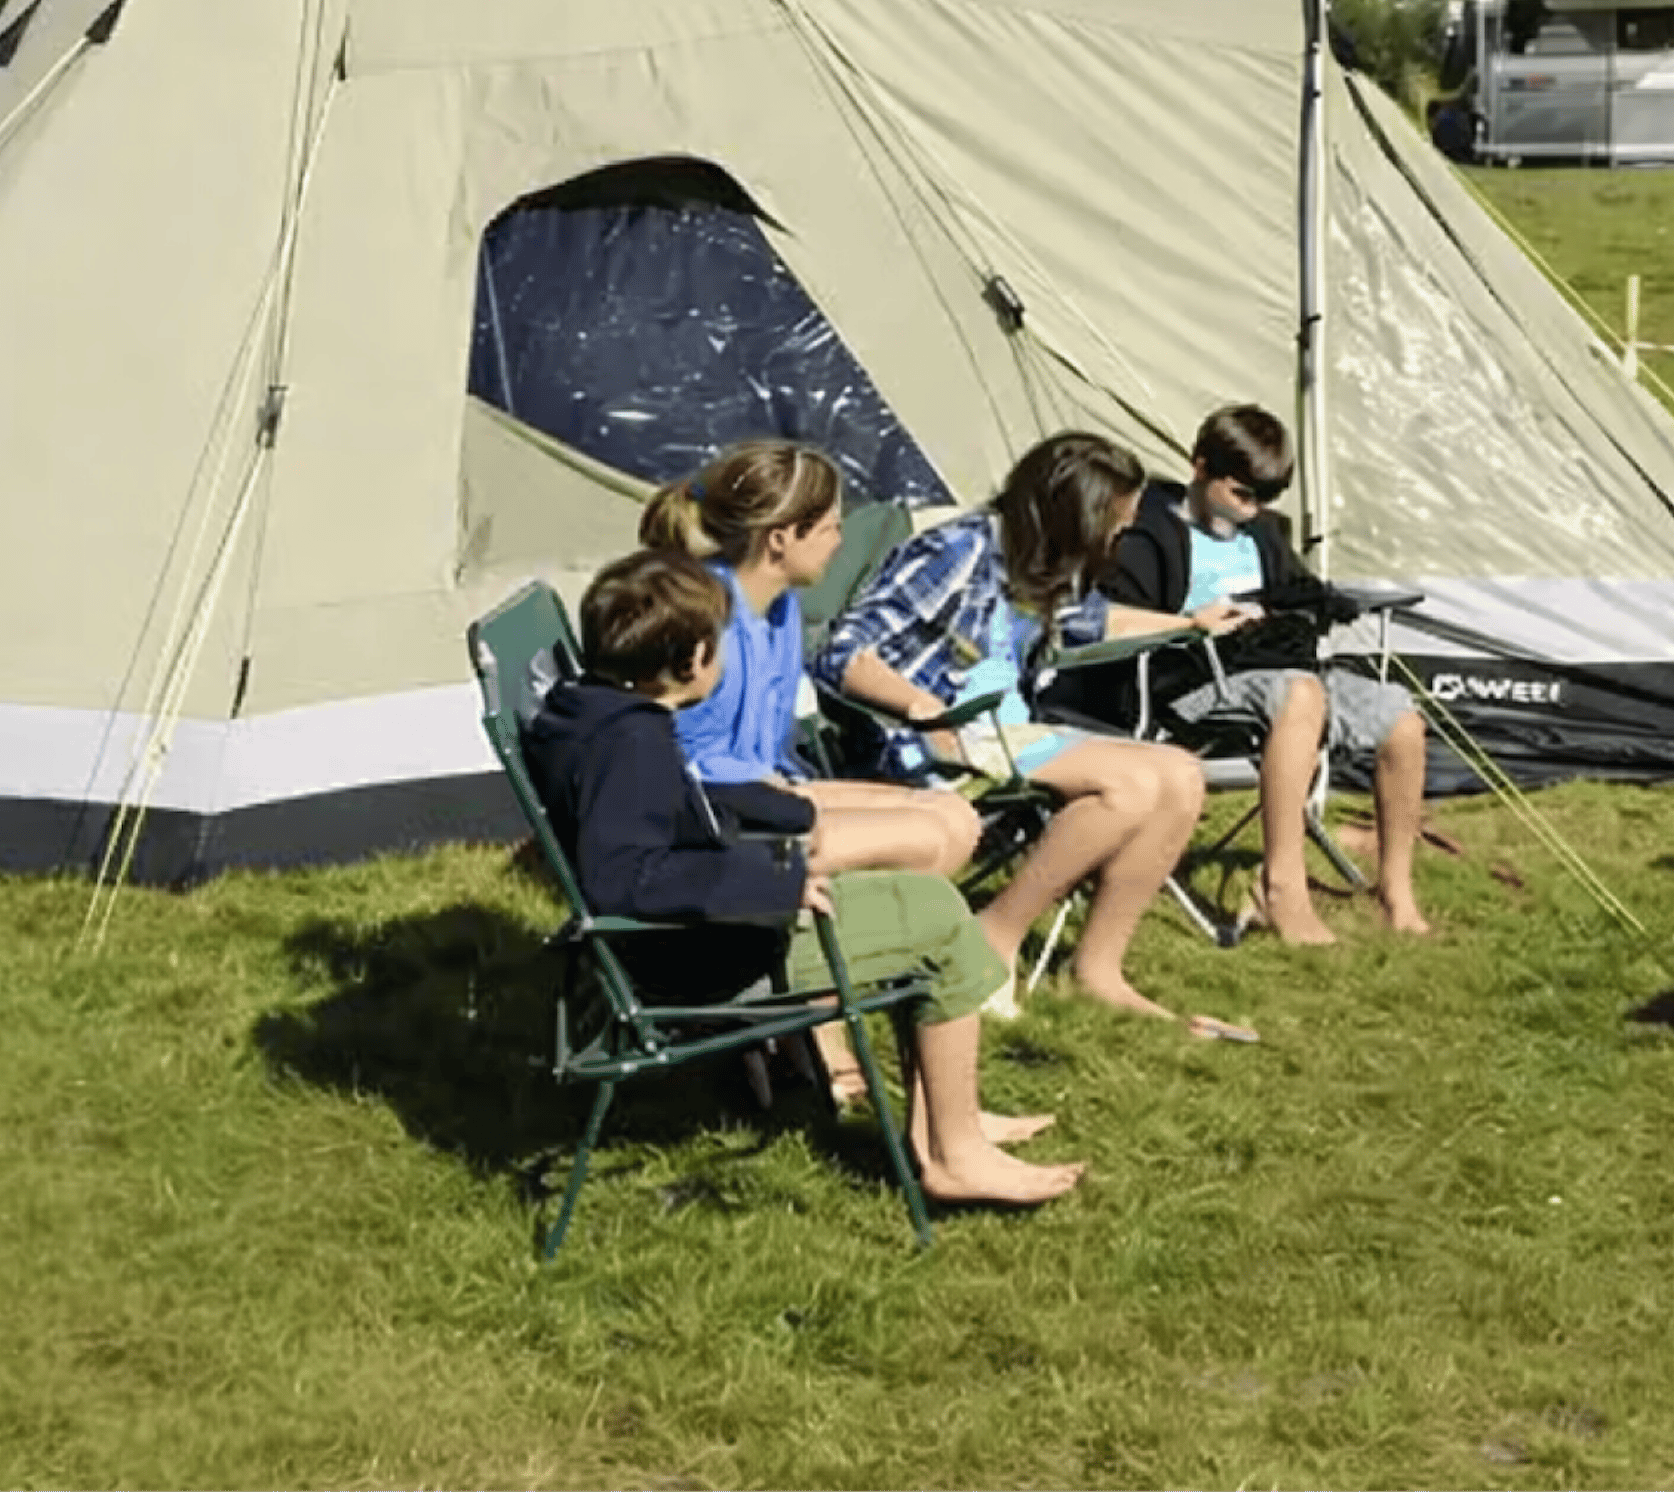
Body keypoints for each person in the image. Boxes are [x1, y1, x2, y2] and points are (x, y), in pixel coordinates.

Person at [525, 548, 1082, 1207]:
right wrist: (775, 885)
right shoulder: (633, 745)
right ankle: (953, 1152)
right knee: (939, 922)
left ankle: (947, 1126)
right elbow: (625, 879)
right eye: (719, 644)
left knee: (926, 900)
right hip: (704, 956)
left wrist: (782, 817)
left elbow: (679, 812)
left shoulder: (595, 713)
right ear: (690, 661)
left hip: (700, 930)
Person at [816, 431, 1254, 1030]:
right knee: (1127, 787)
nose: (1122, 537)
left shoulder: (1045, 561)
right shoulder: (961, 551)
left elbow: (1085, 622)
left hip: (1005, 730)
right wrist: (920, 707)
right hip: (943, 737)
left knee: (1180, 774)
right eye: (1116, 524)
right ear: (1073, 514)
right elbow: (842, 650)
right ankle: (995, 934)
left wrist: (1186, 623)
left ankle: (1100, 969)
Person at [1097, 403, 1435, 945]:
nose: (1253, 511)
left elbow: (1292, 589)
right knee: (1299, 693)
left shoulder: (1259, 535)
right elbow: (1116, 616)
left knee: (1401, 717)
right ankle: (1280, 886)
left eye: (1265, 499)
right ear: (1200, 466)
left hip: (1273, 669)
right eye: (1242, 494)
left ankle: (1395, 889)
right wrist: (1193, 623)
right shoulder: (1148, 531)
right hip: (1189, 682)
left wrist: (1329, 604)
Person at [638, 439, 981, 882]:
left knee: (955, 815)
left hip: (763, 794)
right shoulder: (701, 624)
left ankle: (857, 932)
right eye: (829, 529)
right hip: (707, 822)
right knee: (930, 837)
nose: (840, 543)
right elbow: (668, 752)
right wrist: (773, 793)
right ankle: (802, 933)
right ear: (780, 539)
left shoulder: (781, 610)